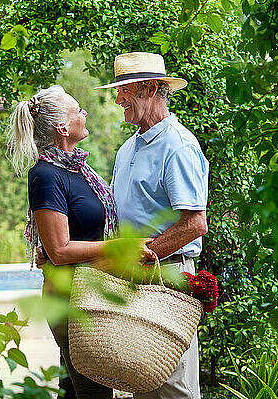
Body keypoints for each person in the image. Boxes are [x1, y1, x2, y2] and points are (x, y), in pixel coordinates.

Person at [7, 85, 153, 399]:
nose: (84, 113)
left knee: (75, 391)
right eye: (78, 110)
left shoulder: (79, 170)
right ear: (62, 127)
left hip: (89, 295)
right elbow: (58, 251)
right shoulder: (46, 175)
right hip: (70, 300)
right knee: (95, 392)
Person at [96, 52, 209, 399]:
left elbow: (195, 224)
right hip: (138, 278)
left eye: (124, 90)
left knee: (174, 387)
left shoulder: (177, 146)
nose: (117, 100)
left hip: (169, 277)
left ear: (149, 88)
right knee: (142, 383)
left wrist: (140, 255)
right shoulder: (127, 148)